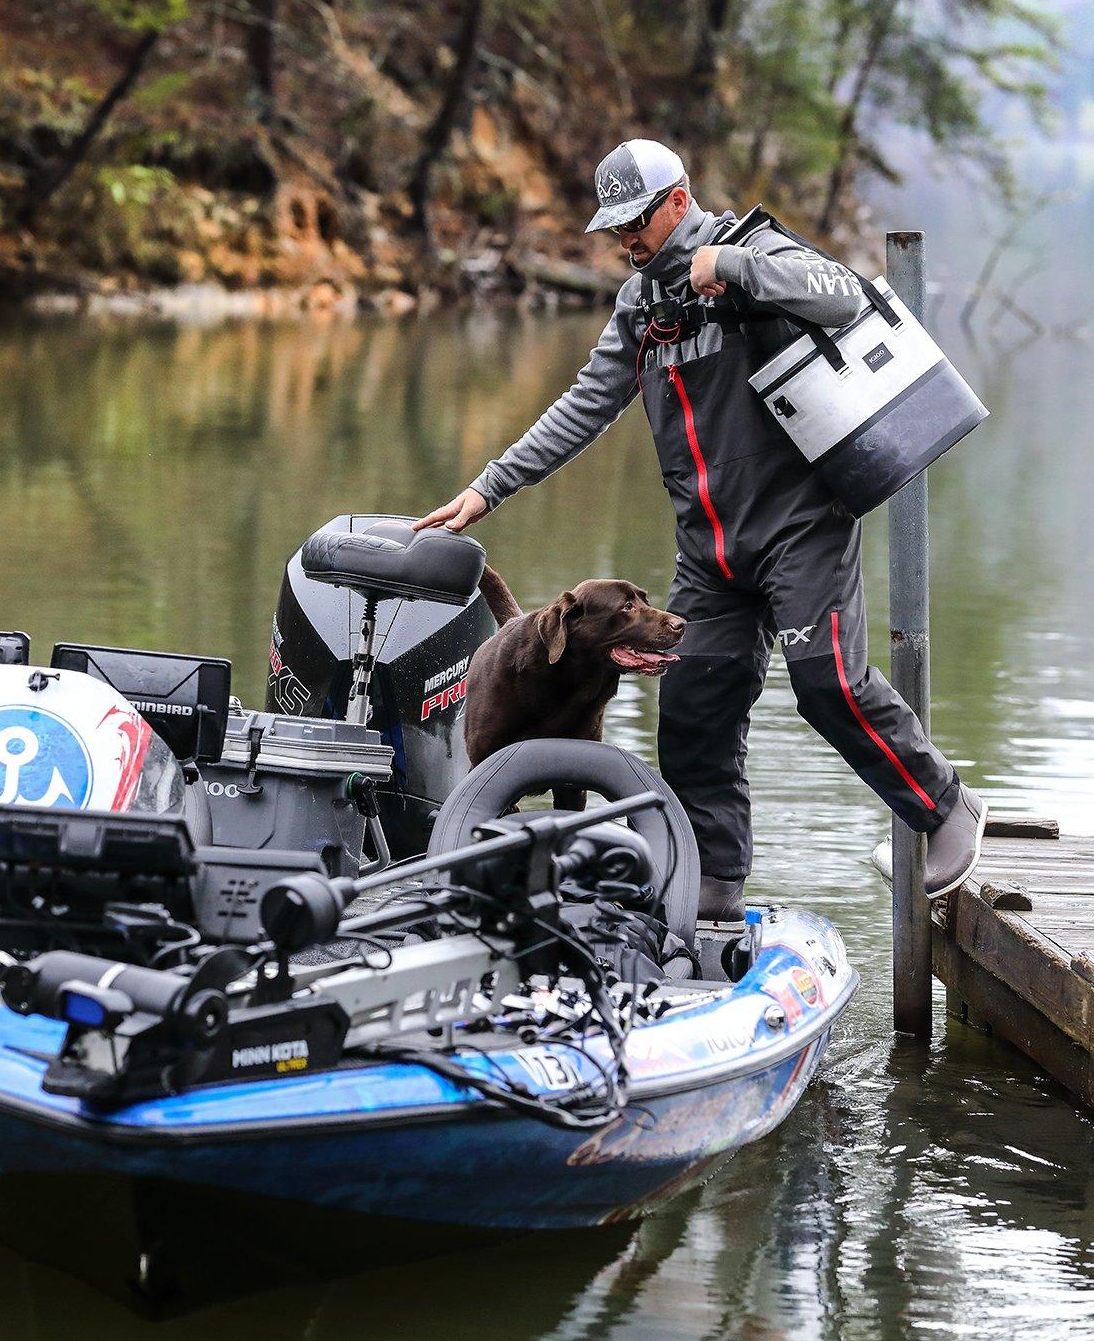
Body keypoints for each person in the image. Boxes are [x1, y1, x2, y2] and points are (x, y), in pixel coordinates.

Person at [415, 137, 984, 924]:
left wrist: (737, 269)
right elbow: (585, 405)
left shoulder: (753, 249)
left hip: (798, 528)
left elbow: (847, 296)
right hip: (711, 552)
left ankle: (948, 808)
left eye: (636, 221)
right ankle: (714, 886)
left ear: (678, 201)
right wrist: (489, 487)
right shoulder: (640, 305)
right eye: (613, 228)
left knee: (828, 685)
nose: (624, 241)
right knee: (691, 704)